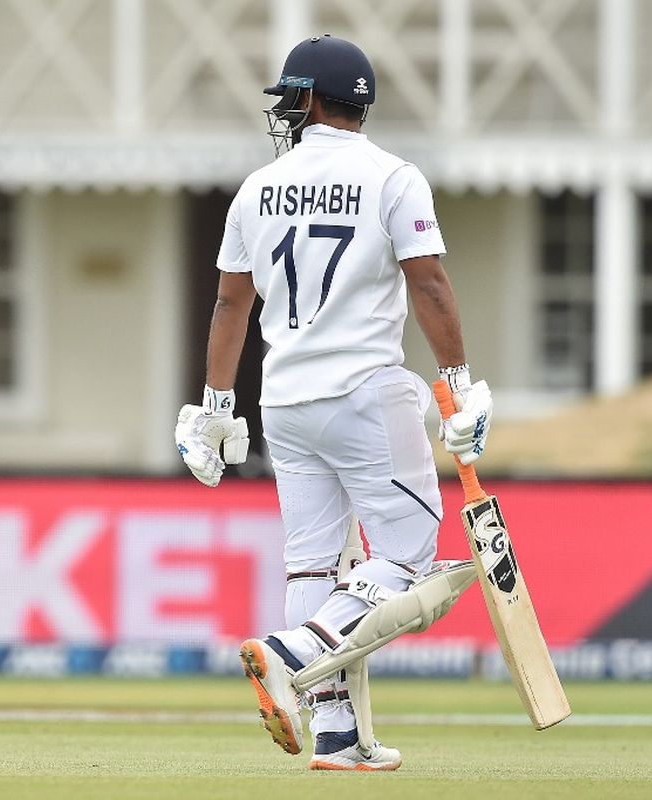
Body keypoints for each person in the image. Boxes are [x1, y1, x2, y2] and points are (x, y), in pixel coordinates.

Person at [174, 35, 493, 771]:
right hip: (364, 390)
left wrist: (217, 405)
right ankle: (293, 651)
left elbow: (229, 304)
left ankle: (337, 734)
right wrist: (460, 384)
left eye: (292, 96)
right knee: (409, 556)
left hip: (283, 400)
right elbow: (430, 284)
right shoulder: (393, 177)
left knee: (313, 567)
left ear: (315, 98)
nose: (285, 110)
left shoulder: (258, 186)